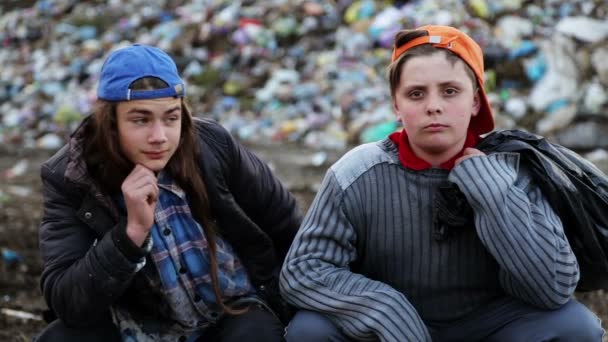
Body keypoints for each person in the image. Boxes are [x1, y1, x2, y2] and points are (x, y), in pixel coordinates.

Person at [279, 25, 604, 341]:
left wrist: (489, 188)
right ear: (396, 104)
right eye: (415, 93)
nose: (433, 105)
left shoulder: (515, 169)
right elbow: (303, 270)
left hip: (492, 325)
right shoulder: (356, 173)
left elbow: (553, 288)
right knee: (310, 330)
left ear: (476, 101)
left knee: (576, 327)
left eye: (450, 91)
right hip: (388, 332)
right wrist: (385, 310)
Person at [36, 44, 302, 341]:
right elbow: (66, 299)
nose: (159, 137)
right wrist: (131, 235)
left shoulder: (213, 145)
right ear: (109, 124)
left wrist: (288, 309)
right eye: (141, 119)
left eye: (171, 118)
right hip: (137, 328)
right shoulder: (71, 176)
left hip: (232, 315)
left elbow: (287, 226)